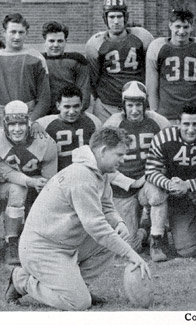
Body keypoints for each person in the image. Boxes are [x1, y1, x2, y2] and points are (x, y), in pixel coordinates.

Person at [4, 127, 151, 310]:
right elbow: (96, 227)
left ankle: (78, 286)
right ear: (103, 151)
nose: (122, 160)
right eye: (119, 155)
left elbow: (106, 204)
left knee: (115, 237)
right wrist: (131, 254)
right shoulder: (81, 175)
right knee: (79, 303)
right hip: (42, 249)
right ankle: (22, 281)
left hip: (64, 244)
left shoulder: (100, 172)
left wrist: (118, 222)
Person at [145, 105, 196, 263]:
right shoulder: (163, 138)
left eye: (195, 124)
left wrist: (188, 185)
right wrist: (171, 185)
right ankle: (155, 240)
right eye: (186, 124)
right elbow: (151, 172)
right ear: (178, 123)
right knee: (155, 195)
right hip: (169, 191)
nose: (191, 129)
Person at [104, 81, 170, 254]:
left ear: (145, 105)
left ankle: (157, 240)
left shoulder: (158, 121)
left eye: (138, 105)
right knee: (130, 247)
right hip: (123, 188)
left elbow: (170, 151)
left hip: (148, 180)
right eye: (130, 105)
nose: (134, 110)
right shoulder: (113, 124)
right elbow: (102, 164)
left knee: (156, 195)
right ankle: (144, 230)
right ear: (123, 106)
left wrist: (154, 175)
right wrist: (130, 182)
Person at [0, 101, 58, 265]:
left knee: (20, 191)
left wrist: (40, 186)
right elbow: (7, 173)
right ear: (5, 125)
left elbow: (48, 182)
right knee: (18, 188)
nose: (17, 129)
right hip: (6, 183)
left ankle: (13, 240)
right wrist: (31, 181)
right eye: (12, 124)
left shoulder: (45, 142)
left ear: (28, 123)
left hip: (24, 187)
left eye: (21, 124)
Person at [86, 0, 153, 123]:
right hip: (107, 104)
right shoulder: (95, 43)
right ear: (105, 18)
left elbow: (151, 71)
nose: (116, 21)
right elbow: (93, 77)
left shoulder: (142, 37)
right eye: (111, 17)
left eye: (119, 16)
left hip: (136, 101)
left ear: (125, 17)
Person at [146, 9, 196, 126]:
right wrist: (154, 112)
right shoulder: (157, 47)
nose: (181, 31)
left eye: (186, 27)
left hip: (195, 113)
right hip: (167, 113)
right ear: (170, 25)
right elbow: (152, 86)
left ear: (191, 27)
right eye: (177, 26)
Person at [37, 85, 101, 171]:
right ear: (58, 106)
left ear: (81, 105)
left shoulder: (93, 121)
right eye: (67, 107)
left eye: (76, 106)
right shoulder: (43, 124)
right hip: (56, 175)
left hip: (86, 172)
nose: (71, 112)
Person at [0, 13, 50, 123]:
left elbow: (44, 98)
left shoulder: (36, 58)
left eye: (21, 32)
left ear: (26, 33)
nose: (17, 37)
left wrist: (31, 121)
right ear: (4, 33)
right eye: (13, 32)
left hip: (28, 116)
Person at [42, 21, 91, 114]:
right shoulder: (38, 61)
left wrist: (72, 113)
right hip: (44, 114)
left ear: (65, 42)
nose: (56, 45)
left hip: (72, 113)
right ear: (45, 42)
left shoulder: (76, 60)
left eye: (60, 41)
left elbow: (84, 94)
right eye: (51, 41)